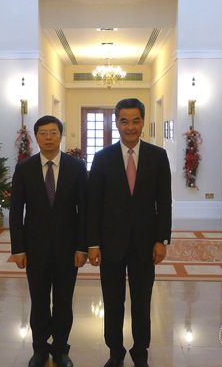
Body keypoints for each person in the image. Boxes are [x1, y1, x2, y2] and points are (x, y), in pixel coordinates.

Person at [87, 98, 172, 367]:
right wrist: (93, 243)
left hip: (145, 244)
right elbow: (93, 204)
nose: (130, 127)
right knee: (113, 302)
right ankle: (115, 352)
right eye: (124, 121)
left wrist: (162, 239)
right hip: (110, 244)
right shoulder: (102, 158)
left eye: (135, 121)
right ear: (117, 123)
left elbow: (164, 202)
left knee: (142, 302)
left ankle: (140, 352)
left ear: (143, 122)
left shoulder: (158, 156)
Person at [9, 115, 88, 367]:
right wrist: (18, 249)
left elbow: (84, 210)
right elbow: (16, 211)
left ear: (61, 136)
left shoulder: (77, 167)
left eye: (53, 133)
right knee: (39, 301)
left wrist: (82, 247)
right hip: (35, 248)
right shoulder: (24, 168)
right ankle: (40, 349)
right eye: (43, 133)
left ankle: (61, 350)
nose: (49, 138)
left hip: (68, 249)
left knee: (64, 302)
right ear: (36, 137)